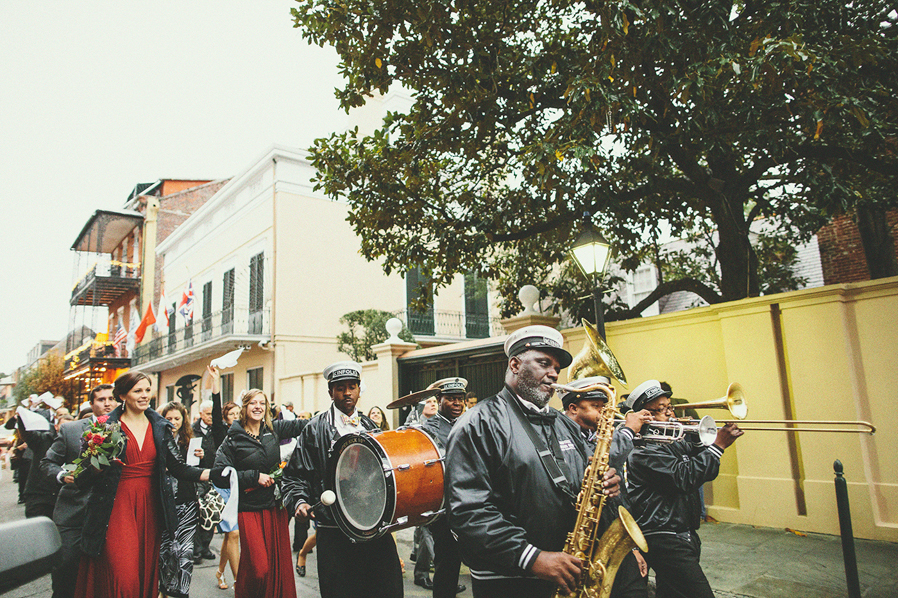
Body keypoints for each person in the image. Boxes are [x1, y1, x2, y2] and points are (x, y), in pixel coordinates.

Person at [445, 325, 622, 598]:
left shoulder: (565, 424)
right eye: (543, 363)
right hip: (507, 579)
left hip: (565, 571)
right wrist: (533, 558)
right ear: (515, 364)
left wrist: (605, 486)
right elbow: (469, 511)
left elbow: (583, 486)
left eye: (556, 368)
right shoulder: (478, 422)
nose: (553, 373)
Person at [74, 372, 210, 598]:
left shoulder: (160, 426)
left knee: (143, 573)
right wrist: (99, 463)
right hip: (115, 506)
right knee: (123, 577)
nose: (144, 395)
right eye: (138, 391)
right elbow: (81, 476)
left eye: (147, 390)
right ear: (122, 395)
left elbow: (178, 467)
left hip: (150, 507)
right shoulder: (105, 427)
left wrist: (212, 474)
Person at [282, 361, 404, 598]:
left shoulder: (371, 427)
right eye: (340, 388)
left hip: (373, 526)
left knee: (385, 589)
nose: (347, 393)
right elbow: (293, 476)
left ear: (359, 390)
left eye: (352, 387)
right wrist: (299, 502)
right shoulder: (314, 429)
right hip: (333, 528)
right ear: (331, 392)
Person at [625, 380, 743, 598]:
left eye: (669, 406)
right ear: (645, 416)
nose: (670, 413)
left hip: (682, 531)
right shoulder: (642, 450)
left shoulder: (669, 440)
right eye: (661, 409)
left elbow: (702, 466)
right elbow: (685, 477)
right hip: (663, 536)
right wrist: (718, 446)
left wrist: (703, 437)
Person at [560, 377, 653, 598]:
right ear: (573, 408)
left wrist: (630, 548)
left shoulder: (600, 435)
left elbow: (617, 497)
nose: (602, 413)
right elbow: (591, 467)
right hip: (580, 544)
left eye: (603, 407)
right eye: (595, 407)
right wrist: (628, 431)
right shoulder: (561, 436)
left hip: (611, 539)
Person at [210, 388, 306, 598]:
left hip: (274, 508)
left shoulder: (274, 430)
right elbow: (219, 474)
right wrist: (254, 476)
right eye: (253, 403)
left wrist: (333, 415)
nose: (258, 407)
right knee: (259, 569)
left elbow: (304, 425)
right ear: (244, 407)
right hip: (249, 509)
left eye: (262, 403)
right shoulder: (233, 438)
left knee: (276, 567)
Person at [41, 384, 117, 598]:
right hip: (73, 512)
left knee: (104, 576)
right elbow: (47, 463)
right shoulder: (71, 430)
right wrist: (61, 475)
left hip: (110, 513)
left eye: (111, 398)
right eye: (101, 399)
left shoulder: (126, 429)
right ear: (92, 404)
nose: (107, 403)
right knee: (66, 569)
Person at [419, 378, 469, 597]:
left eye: (460, 399)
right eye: (451, 399)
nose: (457, 403)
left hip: (471, 502)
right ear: (439, 400)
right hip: (446, 507)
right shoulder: (429, 428)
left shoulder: (469, 421)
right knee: (447, 564)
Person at [159, 401, 203, 597]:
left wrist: (201, 457)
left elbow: (193, 470)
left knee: (185, 552)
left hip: (187, 501)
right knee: (166, 551)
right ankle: (164, 589)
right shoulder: (158, 440)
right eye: (169, 419)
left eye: (178, 419)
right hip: (165, 502)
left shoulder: (188, 441)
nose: (174, 422)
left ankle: (181, 591)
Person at [192, 393, 224, 564]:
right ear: (201, 414)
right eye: (208, 414)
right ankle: (196, 550)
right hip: (196, 475)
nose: (212, 417)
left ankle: (205, 546)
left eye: (213, 413)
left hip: (213, 474)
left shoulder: (218, 430)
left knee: (212, 510)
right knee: (198, 511)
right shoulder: (192, 430)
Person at [214, 398, 242, 590]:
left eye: (239, 414)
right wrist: (215, 385)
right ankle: (239, 582)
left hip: (237, 488)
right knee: (234, 532)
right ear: (225, 418)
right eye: (232, 414)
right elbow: (216, 412)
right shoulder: (220, 432)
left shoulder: (245, 433)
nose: (236, 417)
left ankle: (220, 571)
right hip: (221, 487)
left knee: (229, 536)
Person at [411, 396, 438, 587]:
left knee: (424, 528)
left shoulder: (440, 424)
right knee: (428, 527)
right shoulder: (414, 426)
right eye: (429, 402)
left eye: (436, 401)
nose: (434, 404)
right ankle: (430, 572)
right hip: (421, 484)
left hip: (437, 481)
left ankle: (420, 572)